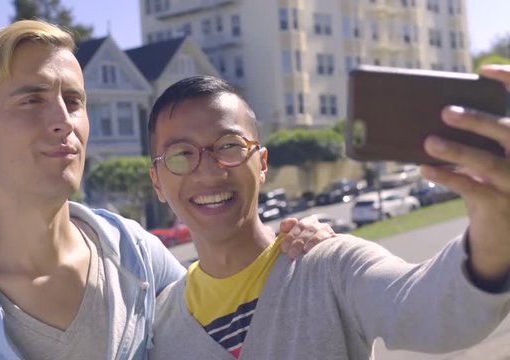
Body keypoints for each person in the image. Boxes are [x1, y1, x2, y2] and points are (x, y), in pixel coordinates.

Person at [0, 20, 331, 359]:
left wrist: (298, 255)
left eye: (73, 101)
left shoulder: (137, 258)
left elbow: (240, 324)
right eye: (32, 100)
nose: (63, 121)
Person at [146, 73, 510, 359]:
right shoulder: (158, 326)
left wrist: (493, 234)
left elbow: (430, 308)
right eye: (181, 155)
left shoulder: (330, 265)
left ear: (262, 164)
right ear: (157, 183)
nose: (208, 172)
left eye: (229, 146)